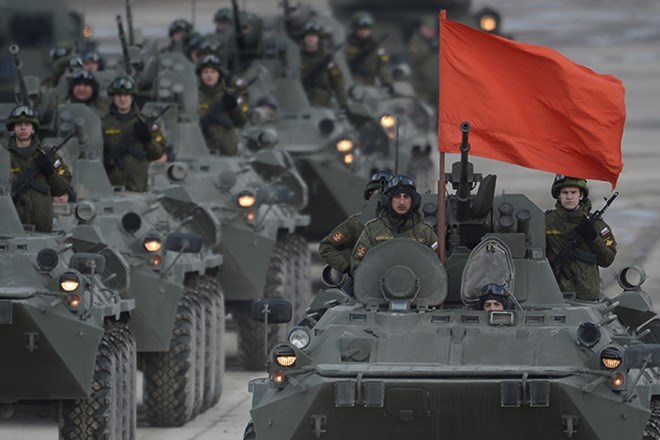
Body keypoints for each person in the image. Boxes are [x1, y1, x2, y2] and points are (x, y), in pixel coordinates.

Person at [545, 175, 617, 300]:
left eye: (573, 192)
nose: (569, 197)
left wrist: (593, 238)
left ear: (581, 195)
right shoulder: (546, 222)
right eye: (565, 193)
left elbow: (607, 260)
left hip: (587, 297)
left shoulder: (597, 225)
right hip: (555, 295)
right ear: (558, 196)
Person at [3, 106, 72, 232]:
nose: (23, 128)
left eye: (27, 124)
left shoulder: (49, 157)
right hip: (12, 230)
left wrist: (50, 173)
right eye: (18, 125)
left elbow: (63, 188)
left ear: (33, 128)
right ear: (13, 128)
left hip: (43, 230)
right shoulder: (4, 157)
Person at [351, 175, 437, 269]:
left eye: (406, 197)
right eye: (397, 196)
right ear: (388, 200)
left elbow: (438, 267)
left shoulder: (425, 232)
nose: (402, 202)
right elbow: (357, 265)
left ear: (414, 201)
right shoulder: (372, 230)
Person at [319, 170, 393, 274]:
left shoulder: (407, 223)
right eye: (373, 193)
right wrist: (347, 268)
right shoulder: (356, 224)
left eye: (384, 194)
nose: (378, 198)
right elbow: (326, 247)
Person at [102, 76, 166, 192]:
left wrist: (147, 140)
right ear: (113, 97)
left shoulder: (144, 121)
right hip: (110, 188)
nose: (122, 99)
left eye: (126, 95)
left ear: (132, 97)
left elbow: (157, 154)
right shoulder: (104, 123)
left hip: (138, 187)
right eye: (118, 95)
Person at [197, 54, 247, 156]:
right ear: (200, 75)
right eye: (205, 72)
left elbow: (241, 122)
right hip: (201, 151)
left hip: (227, 152)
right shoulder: (194, 96)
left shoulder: (228, 95)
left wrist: (233, 107)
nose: (209, 76)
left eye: (213, 72)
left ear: (219, 74)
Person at [299, 21, 348, 108]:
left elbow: (338, 81)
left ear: (318, 38)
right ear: (304, 37)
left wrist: (343, 103)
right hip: (301, 102)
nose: (311, 39)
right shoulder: (297, 57)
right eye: (308, 36)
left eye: (314, 36)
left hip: (323, 104)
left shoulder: (328, 60)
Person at [344, 11, 393, 89]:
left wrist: (387, 83)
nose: (363, 31)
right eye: (360, 29)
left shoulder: (376, 47)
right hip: (350, 86)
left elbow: (383, 67)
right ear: (355, 29)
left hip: (370, 86)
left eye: (366, 28)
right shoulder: (346, 46)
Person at [408, 15, 439, 106]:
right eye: (429, 29)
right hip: (423, 85)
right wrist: (429, 49)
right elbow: (415, 57)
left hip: (437, 85)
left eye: (433, 30)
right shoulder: (415, 41)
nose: (431, 32)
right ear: (422, 28)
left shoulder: (436, 41)